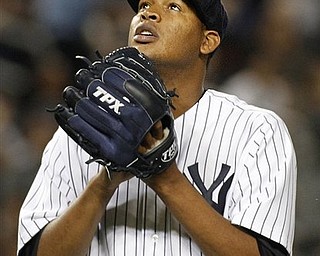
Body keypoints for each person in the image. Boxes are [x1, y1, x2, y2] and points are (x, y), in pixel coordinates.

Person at [17, 0, 297, 255]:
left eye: (173, 6)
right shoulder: (84, 129)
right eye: (143, 5)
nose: (148, 13)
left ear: (207, 41)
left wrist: (166, 177)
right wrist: (104, 183)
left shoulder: (256, 131)